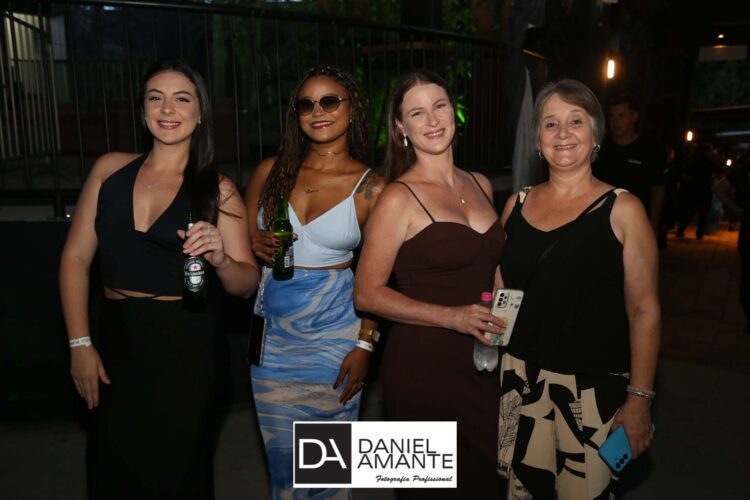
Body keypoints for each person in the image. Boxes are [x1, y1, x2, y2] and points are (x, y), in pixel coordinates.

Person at [59, 59, 260, 499]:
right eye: (156, 98)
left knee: (178, 477)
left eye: (182, 99)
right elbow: (75, 259)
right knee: (110, 472)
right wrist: (80, 344)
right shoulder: (108, 170)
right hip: (117, 342)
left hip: (186, 348)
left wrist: (222, 258)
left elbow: (246, 284)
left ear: (200, 113)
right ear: (143, 109)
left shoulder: (218, 189)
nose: (168, 109)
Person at [497, 79, 660, 499]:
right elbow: (502, 290)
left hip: (593, 390)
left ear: (596, 134)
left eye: (576, 121)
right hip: (521, 379)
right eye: (550, 123)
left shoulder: (623, 209)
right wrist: (487, 340)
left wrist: (639, 399)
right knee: (522, 492)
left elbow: (644, 311)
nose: (563, 133)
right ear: (538, 139)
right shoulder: (515, 205)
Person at [354, 69, 506, 499]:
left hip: (484, 359)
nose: (433, 119)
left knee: (485, 483)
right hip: (424, 365)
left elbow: (492, 266)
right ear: (401, 127)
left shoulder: (480, 184)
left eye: (439, 106)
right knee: (432, 490)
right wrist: (451, 317)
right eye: (417, 113)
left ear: (454, 112)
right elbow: (366, 293)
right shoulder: (397, 197)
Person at [243, 64, 384, 498]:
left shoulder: (371, 187)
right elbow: (243, 244)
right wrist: (252, 242)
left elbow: (381, 277)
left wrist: (365, 346)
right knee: (283, 466)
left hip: (334, 337)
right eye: (306, 104)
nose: (317, 112)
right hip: (273, 339)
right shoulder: (270, 172)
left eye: (329, 101)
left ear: (352, 108)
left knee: (325, 473)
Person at [593, 94, 667, 233]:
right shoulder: (600, 149)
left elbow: (658, 188)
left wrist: (653, 223)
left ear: (634, 117)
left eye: (621, 115)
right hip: (603, 223)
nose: (615, 121)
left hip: (636, 223)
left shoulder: (649, 149)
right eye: (612, 116)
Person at [714, 146, 750, 333]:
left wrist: (737, 209)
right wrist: (737, 209)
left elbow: (719, 188)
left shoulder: (743, 170)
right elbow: (719, 188)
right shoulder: (743, 171)